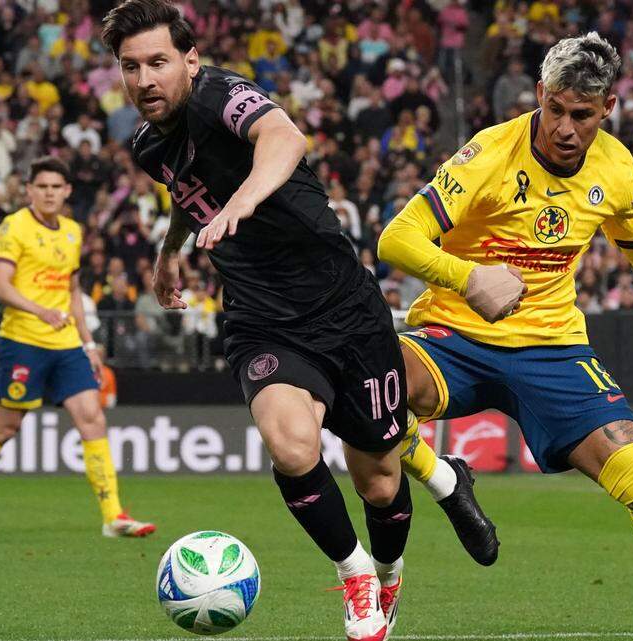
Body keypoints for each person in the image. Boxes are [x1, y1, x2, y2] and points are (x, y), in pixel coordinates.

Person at [377, 33, 633, 641]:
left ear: (608, 109)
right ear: (540, 95)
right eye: (556, 110)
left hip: (554, 348)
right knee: (367, 388)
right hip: (453, 335)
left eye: (583, 115)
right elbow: (396, 239)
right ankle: (444, 481)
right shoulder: (489, 152)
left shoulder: (616, 169)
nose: (565, 128)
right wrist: (467, 277)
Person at [101, 3, 489, 638]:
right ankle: (355, 574)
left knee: (381, 481)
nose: (144, 78)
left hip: (347, 312)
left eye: (158, 62)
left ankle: (390, 572)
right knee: (291, 443)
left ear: (190, 61)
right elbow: (187, 194)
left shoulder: (220, 94)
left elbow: (284, 138)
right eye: (131, 66)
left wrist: (243, 203)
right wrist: (171, 251)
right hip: (261, 318)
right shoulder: (147, 144)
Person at [0, 157, 154, 541]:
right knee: (5, 427)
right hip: (23, 341)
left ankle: (113, 515)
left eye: (56, 187)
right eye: (42, 187)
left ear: (68, 191)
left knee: (93, 417)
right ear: (29, 190)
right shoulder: (14, 227)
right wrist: (41, 310)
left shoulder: (73, 231)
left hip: (67, 343)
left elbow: (73, 292)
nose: (49, 193)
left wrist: (89, 343)